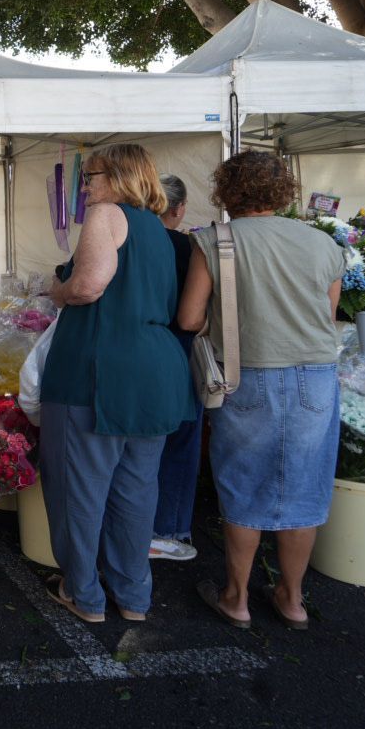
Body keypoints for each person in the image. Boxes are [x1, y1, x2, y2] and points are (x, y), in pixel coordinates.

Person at [178, 151, 345, 631]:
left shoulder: (214, 240)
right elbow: (327, 318)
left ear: (226, 191)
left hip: (245, 375)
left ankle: (236, 598)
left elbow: (190, 319)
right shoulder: (321, 242)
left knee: (244, 485)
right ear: (284, 191)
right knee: (305, 490)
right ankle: (292, 600)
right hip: (315, 377)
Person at [40, 144, 193, 624]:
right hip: (155, 372)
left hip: (98, 372)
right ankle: (133, 596)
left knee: (79, 489)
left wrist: (58, 292)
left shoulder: (107, 214)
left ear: (119, 176)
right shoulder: (159, 229)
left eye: (92, 176)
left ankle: (82, 593)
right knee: (135, 490)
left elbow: (89, 285)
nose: (85, 187)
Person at [150, 174, 203, 562]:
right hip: (182, 350)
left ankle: (131, 525)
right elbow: (195, 316)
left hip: (139, 348)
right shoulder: (192, 247)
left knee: (137, 445)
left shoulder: (127, 244)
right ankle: (168, 530)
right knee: (181, 439)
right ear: (180, 209)